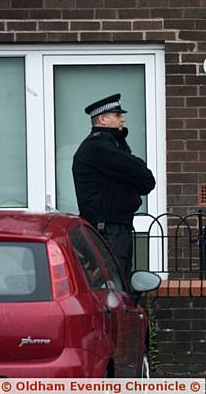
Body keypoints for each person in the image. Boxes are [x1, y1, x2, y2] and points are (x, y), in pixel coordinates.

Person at [72, 93, 155, 281]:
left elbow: (143, 181)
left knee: (120, 281)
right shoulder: (98, 146)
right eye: (117, 115)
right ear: (102, 118)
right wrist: (138, 171)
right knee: (113, 283)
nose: (123, 119)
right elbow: (141, 173)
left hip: (116, 228)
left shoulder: (111, 144)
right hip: (108, 231)